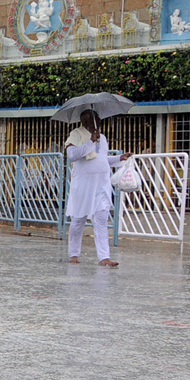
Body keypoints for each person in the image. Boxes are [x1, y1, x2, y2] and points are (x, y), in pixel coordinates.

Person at [65, 110, 132, 267]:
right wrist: (90, 142)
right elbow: (72, 155)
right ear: (84, 122)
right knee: (78, 220)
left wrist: (119, 159)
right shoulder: (76, 134)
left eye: (96, 119)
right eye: (90, 120)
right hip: (83, 185)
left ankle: (104, 257)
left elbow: (102, 159)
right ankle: (74, 254)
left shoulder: (102, 138)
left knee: (102, 220)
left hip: (101, 185)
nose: (95, 122)